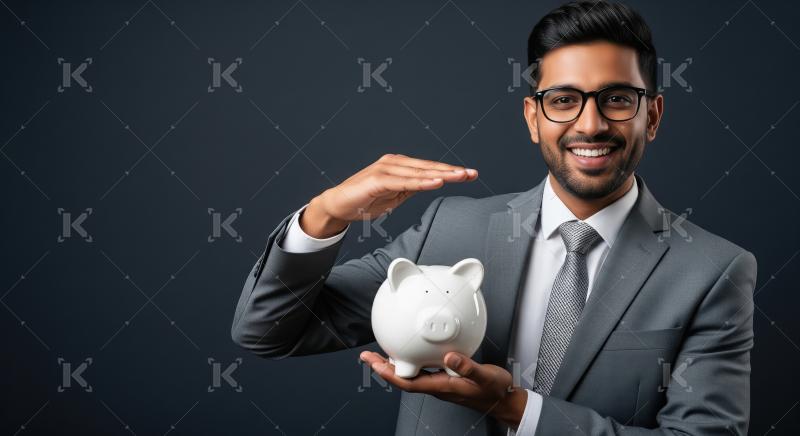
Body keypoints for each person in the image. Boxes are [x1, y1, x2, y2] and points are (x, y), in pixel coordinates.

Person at [230, 1, 757, 434]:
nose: (590, 124)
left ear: (653, 116)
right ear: (533, 118)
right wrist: (325, 214)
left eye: (617, 99)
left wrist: (516, 407)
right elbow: (268, 332)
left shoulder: (712, 271)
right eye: (563, 100)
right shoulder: (448, 230)